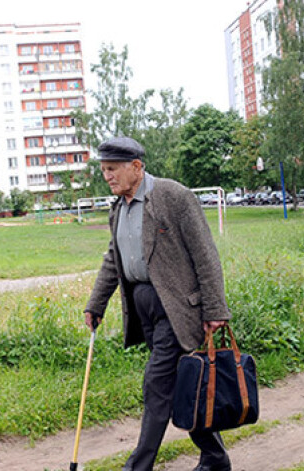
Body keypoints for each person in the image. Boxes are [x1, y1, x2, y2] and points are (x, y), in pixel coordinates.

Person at [84, 136, 232, 471]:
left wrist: (215, 310)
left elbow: (205, 255)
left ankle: (139, 467)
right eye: (104, 170)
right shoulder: (119, 207)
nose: (107, 176)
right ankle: (216, 458)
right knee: (184, 386)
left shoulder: (173, 196)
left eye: (113, 169)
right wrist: (96, 305)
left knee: (156, 384)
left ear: (136, 167)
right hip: (145, 310)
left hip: (177, 309)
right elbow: (114, 259)